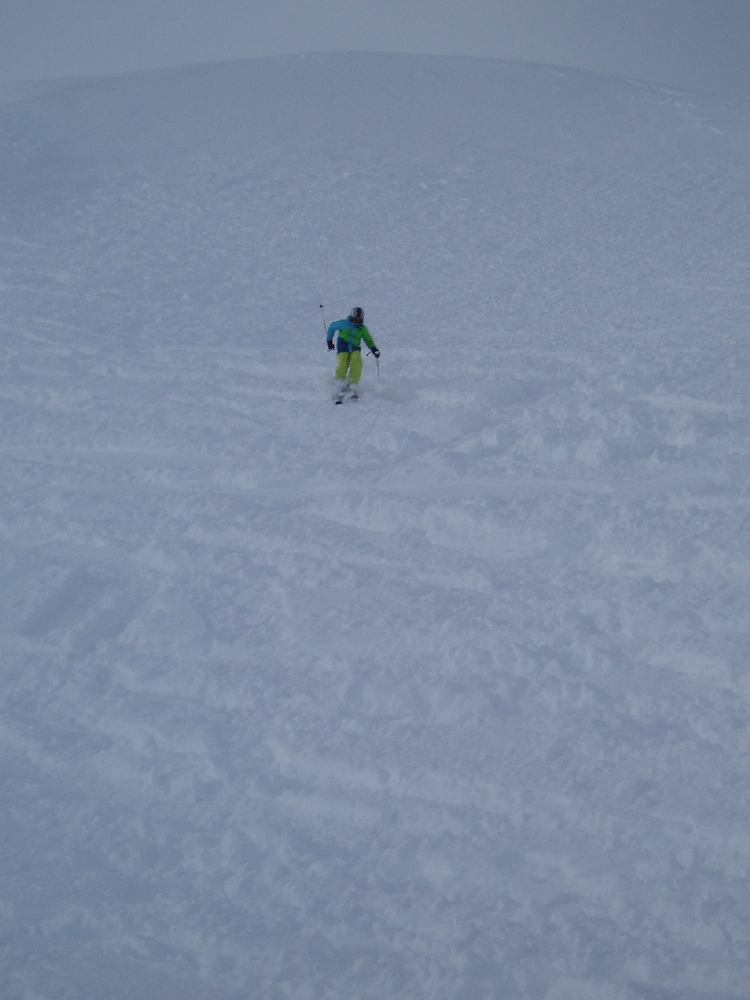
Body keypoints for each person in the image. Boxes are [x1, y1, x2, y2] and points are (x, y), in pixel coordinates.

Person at [326, 306, 380, 400]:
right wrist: (329, 341)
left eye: (359, 321)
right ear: (351, 317)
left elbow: (368, 339)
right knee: (343, 361)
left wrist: (373, 349)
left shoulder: (362, 329)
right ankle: (339, 383)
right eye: (355, 320)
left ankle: (353, 384)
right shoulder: (344, 323)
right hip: (343, 345)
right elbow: (332, 327)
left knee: (357, 360)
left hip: (355, 347)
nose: (357, 323)